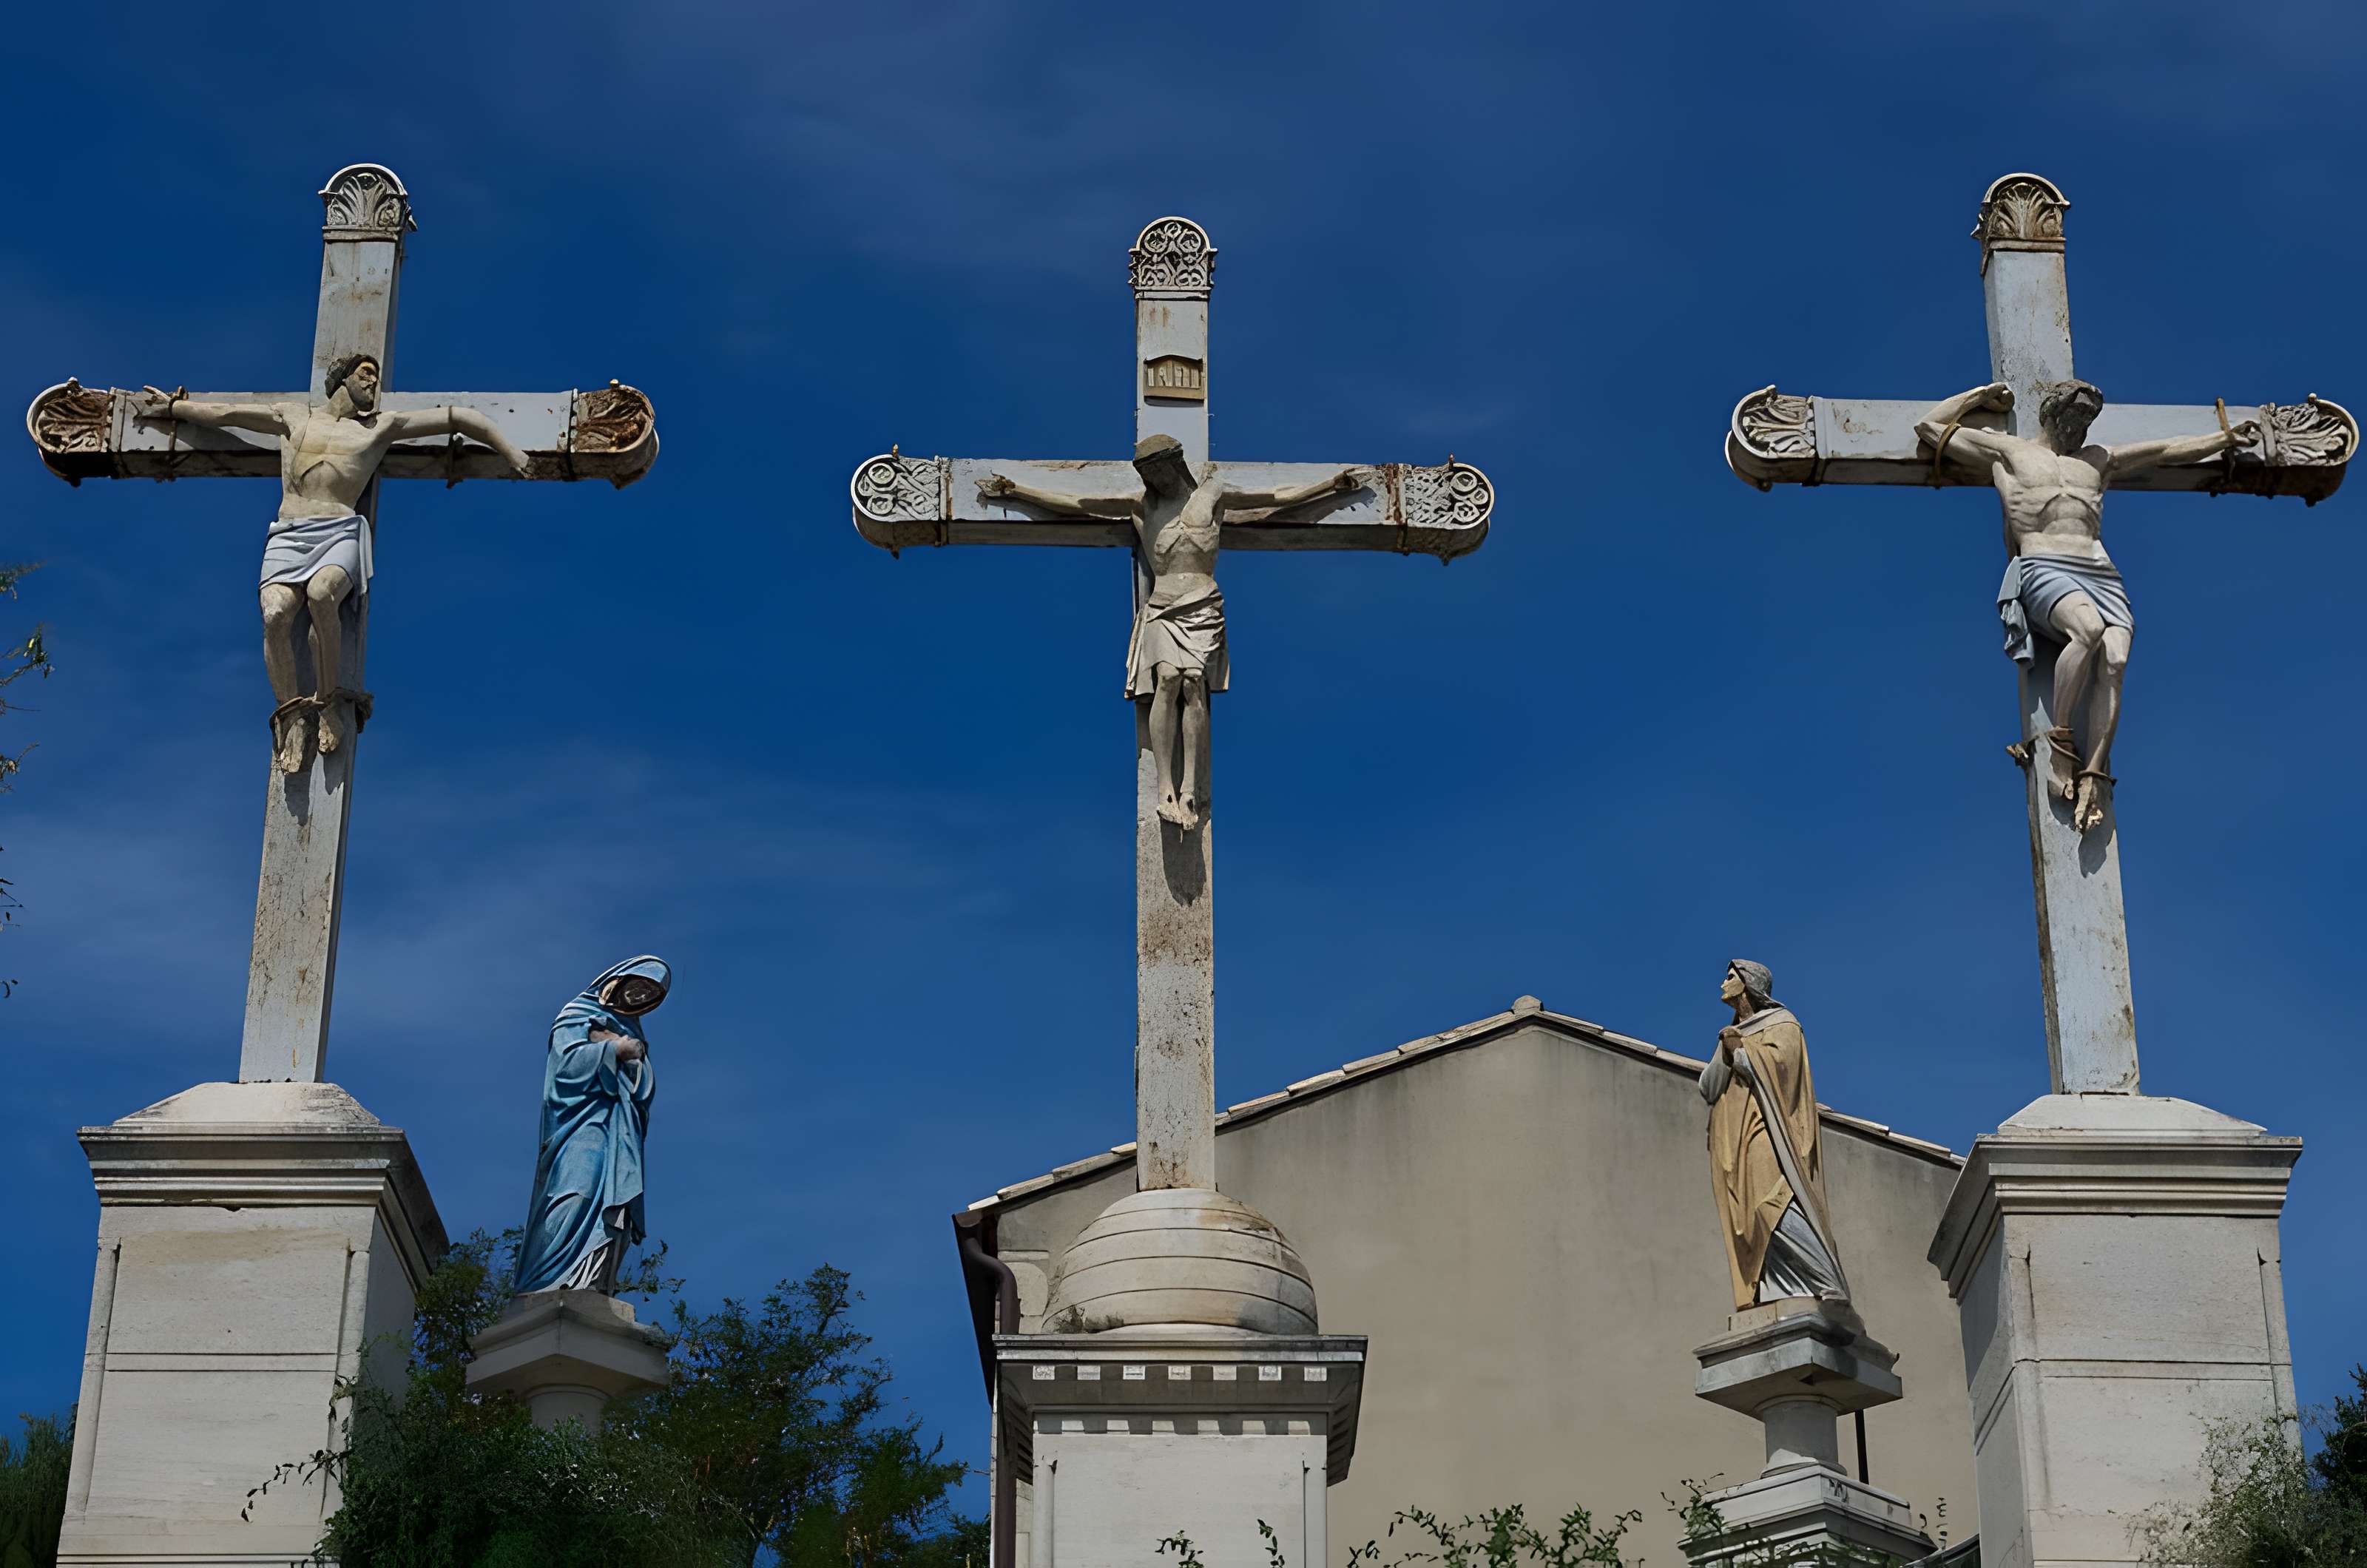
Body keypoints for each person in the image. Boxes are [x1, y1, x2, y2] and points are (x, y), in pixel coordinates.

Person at [135, 356, 530, 772]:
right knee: (275, 615)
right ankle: (291, 715)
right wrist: (175, 409)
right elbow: (228, 415)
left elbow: (462, 419)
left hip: (339, 530)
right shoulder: (293, 417)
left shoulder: (381, 427)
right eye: (365, 375)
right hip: (289, 532)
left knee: (322, 596)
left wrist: (513, 453)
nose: (373, 383)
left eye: (376, 377)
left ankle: (327, 702)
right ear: (341, 380)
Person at [1919, 379, 2255, 832]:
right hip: (2043, 563)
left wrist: (2223, 438)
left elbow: (2168, 451)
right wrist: (1980, 397)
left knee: (2115, 661)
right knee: (2088, 631)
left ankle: (2095, 771)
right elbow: (1928, 426)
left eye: (2086, 420)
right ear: (2049, 415)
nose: (2078, 427)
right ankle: (2061, 740)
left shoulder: (2099, 459)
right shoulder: (2011, 452)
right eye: (2071, 418)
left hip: (2100, 570)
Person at [979, 436, 1356, 828]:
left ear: (1174, 464)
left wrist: (1328, 486)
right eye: (1146, 473)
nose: (1152, 479)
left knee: (1194, 683)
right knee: (1169, 679)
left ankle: (1190, 787)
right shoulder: (1143, 506)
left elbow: (1276, 497)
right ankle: (1165, 789)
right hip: (1161, 607)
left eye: (1156, 470)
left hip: (1202, 606)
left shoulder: (1214, 494)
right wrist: (1018, 491)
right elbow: (1078, 505)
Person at [513, 956, 669, 1295]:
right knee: (575, 1192)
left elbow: (644, 1090)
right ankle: (548, 1280)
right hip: (579, 1125)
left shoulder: (634, 1033)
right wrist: (614, 1049)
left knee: (616, 1209)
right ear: (618, 982)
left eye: (649, 995)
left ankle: (595, 1283)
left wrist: (632, 1057)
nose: (641, 997)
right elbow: (565, 1066)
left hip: (619, 1131)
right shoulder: (578, 1015)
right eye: (638, 987)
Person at [1698, 959, 1848, 1311]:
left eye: (1731, 976)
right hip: (1734, 1142)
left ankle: (1826, 1279)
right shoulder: (1734, 1030)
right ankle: (1775, 1288)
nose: (1723, 982)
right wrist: (1727, 1049)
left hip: (1768, 1132)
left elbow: (1784, 1071)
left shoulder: (1782, 1024)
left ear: (1749, 984)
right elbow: (1708, 1087)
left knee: (1776, 1203)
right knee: (1749, 1216)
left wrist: (1742, 1050)